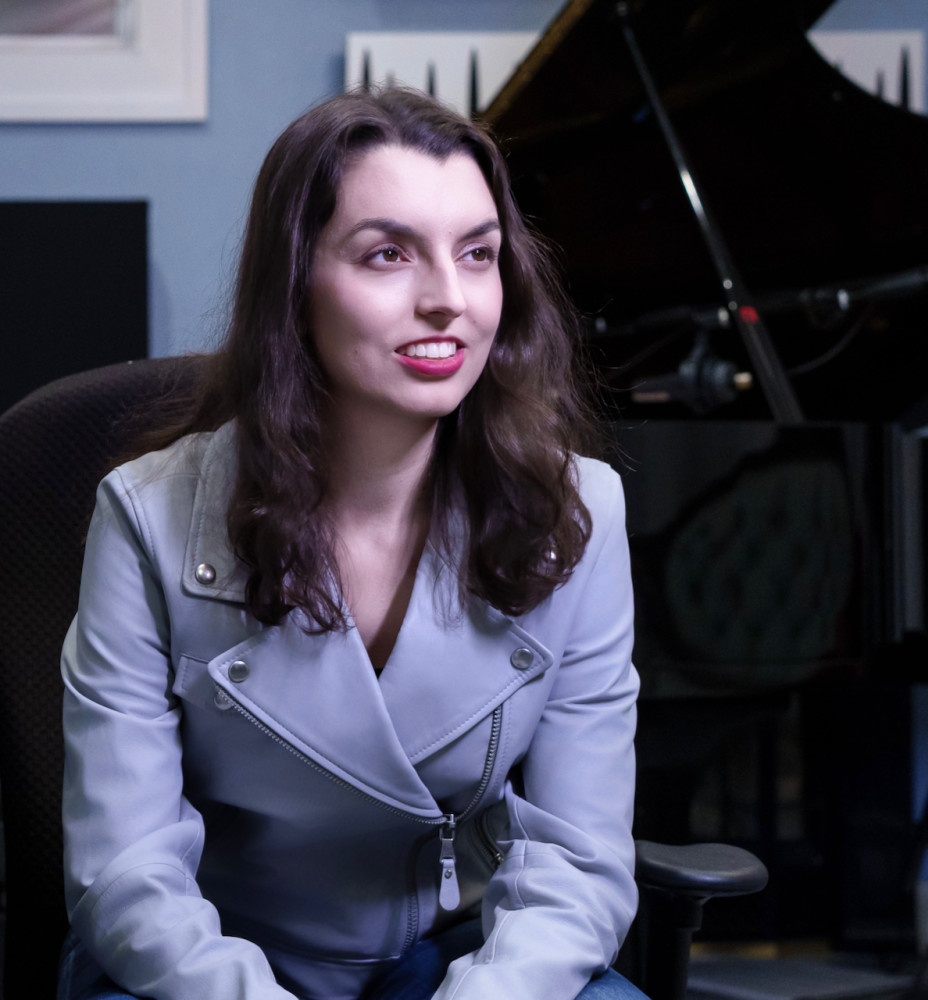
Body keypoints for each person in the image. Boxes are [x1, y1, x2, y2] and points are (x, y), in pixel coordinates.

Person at [59, 87, 644, 1000]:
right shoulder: (144, 515)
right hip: (198, 970)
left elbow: (580, 863)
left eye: (478, 254)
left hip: (459, 967)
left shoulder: (581, 512)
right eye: (387, 255)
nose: (449, 300)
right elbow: (128, 875)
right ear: (295, 286)